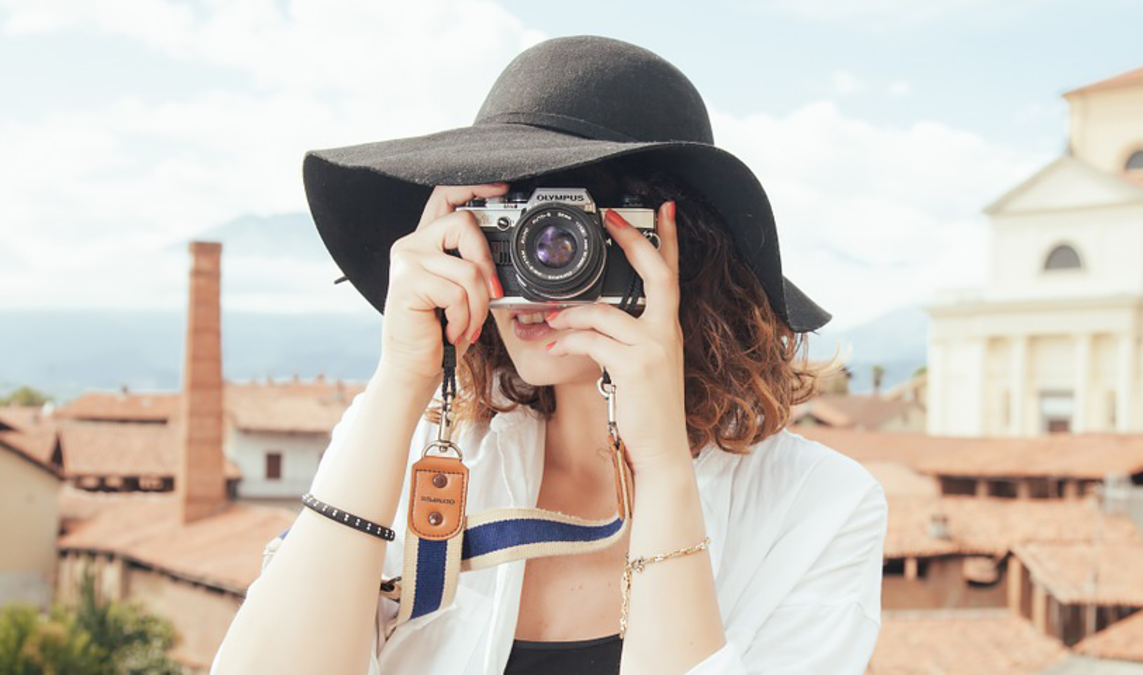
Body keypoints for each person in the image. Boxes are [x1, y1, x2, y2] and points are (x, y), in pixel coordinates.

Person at [212, 35, 887, 675]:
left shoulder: (820, 507)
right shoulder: (414, 452)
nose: (542, 269)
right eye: (509, 229)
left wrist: (662, 468)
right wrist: (401, 381)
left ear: (681, 251)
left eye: (574, 236)